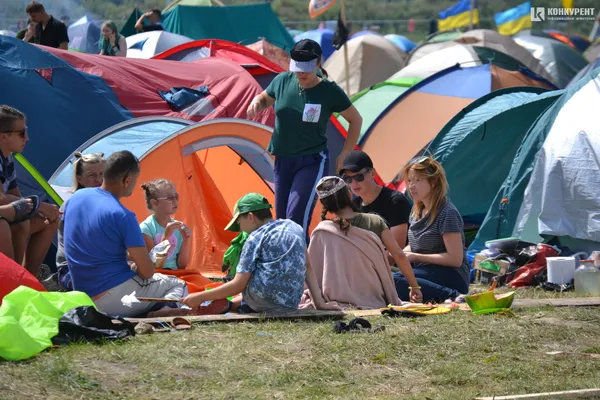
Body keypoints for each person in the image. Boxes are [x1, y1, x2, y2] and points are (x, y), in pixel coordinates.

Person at [246, 39, 362, 242]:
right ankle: (284, 267)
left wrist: (344, 154)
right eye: (298, 68)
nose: (302, 73)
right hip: (283, 160)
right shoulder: (282, 80)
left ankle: (303, 270)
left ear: (318, 63)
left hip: (311, 160)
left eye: (307, 68)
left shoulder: (329, 91)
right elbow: (265, 98)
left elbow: (355, 119)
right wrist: (257, 102)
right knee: (281, 220)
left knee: (295, 218)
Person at [63, 151, 187, 318]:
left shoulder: (75, 198)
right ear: (127, 180)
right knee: (177, 284)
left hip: (82, 296)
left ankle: (149, 308)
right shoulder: (123, 215)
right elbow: (147, 272)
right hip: (116, 301)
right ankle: (162, 311)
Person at [182, 193, 340, 313]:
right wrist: (320, 303)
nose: (240, 228)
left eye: (239, 222)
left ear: (250, 217)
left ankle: (230, 306)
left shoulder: (254, 238)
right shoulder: (295, 227)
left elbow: (238, 285)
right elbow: (307, 266)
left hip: (261, 304)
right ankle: (230, 305)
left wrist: (200, 297)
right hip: (290, 303)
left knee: (247, 275)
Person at [312, 176, 422, 304]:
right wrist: (415, 287)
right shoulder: (374, 221)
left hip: (336, 297)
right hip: (374, 295)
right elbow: (398, 255)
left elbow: (314, 270)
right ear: (349, 194)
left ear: (323, 204)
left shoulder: (321, 232)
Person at [393, 157, 470, 303]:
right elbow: (416, 244)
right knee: (386, 280)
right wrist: (401, 254)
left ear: (433, 183)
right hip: (426, 273)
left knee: (395, 280)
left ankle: (453, 296)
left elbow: (455, 259)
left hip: (452, 275)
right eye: (409, 181)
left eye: (418, 180)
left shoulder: (447, 213)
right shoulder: (416, 210)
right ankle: (423, 293)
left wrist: (415, 257)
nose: (411, 186)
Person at [0, 105, 60, 277]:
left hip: (5, 215)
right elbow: (2, 198)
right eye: (21, 133)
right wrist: (38, 205)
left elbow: (16, 196)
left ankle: (29, 278)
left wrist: (36, 209)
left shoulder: (7, 158)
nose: (27, 138)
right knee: (19, 219)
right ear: (4, 136)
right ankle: (15, 280)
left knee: (50, 219)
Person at [51, 152, 105, 291]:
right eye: (92, 175)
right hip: (71, 269)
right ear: (80, 179)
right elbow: (80, 250)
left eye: (102, 174)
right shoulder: (74, 205)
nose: (99, 180)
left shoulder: (107, 203)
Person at [340, 150, 412, 248]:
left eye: (358, 176)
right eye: (347, 179)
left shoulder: (395, 201)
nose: (353, 183)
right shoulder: (353, 207)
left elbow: (397, 252)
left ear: (372, 173)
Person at [140, 179, 192, 270]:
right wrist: (165, 239)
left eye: (176, 196)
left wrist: (186, 241)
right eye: (170, 198)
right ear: (155, 203)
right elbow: (156, 265)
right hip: (157, 275)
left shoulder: (178, 227)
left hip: (175, 274)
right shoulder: (146, 229)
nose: (175, 201)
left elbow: (182, 266)